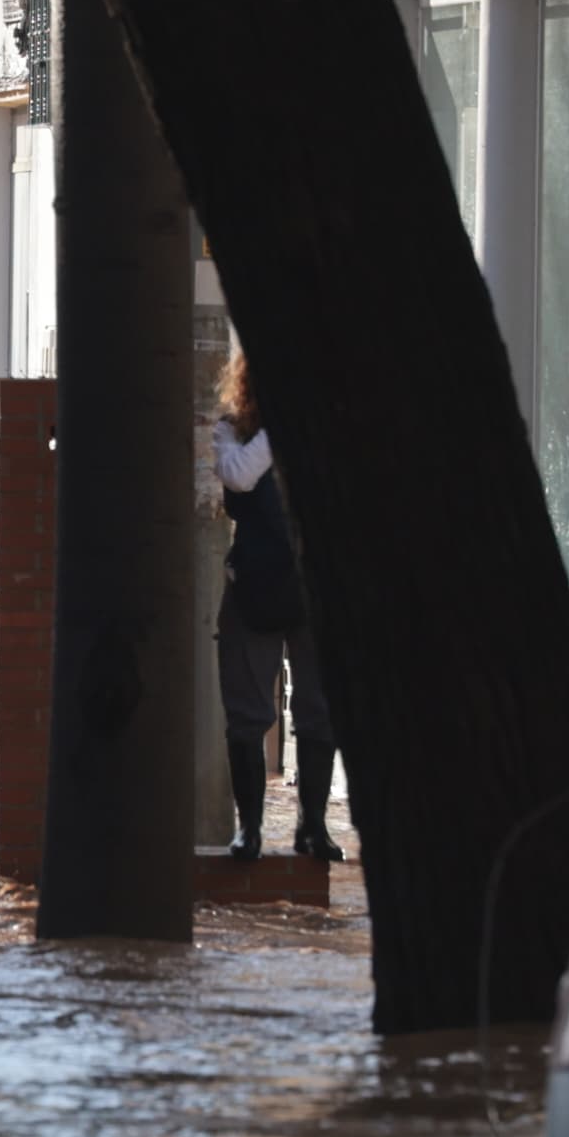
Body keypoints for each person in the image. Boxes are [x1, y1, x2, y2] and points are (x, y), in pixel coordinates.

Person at [213, 347, 339, 860]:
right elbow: (239, 476)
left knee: (319, 711)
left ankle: (313, 826)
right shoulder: (231, 430)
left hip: (315, 587)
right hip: (257, 586)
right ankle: (251, 830)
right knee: (247, 712)